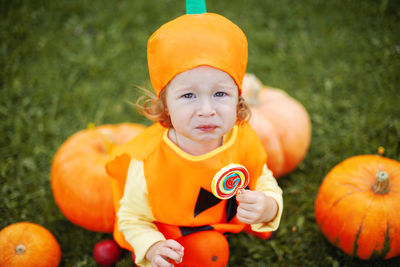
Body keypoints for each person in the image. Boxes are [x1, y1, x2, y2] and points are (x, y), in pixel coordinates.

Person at [105, 1, 283, 266]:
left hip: (216, 221)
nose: (206, 110)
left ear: (238, 99)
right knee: (203, 251)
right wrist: (151, 245)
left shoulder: (242, 138)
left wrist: (269, 206)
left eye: (220, 94)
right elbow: (132, 217)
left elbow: (262, 178)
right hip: (173, 226)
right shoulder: (149, 163)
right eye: (188, 95)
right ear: (165, 104)